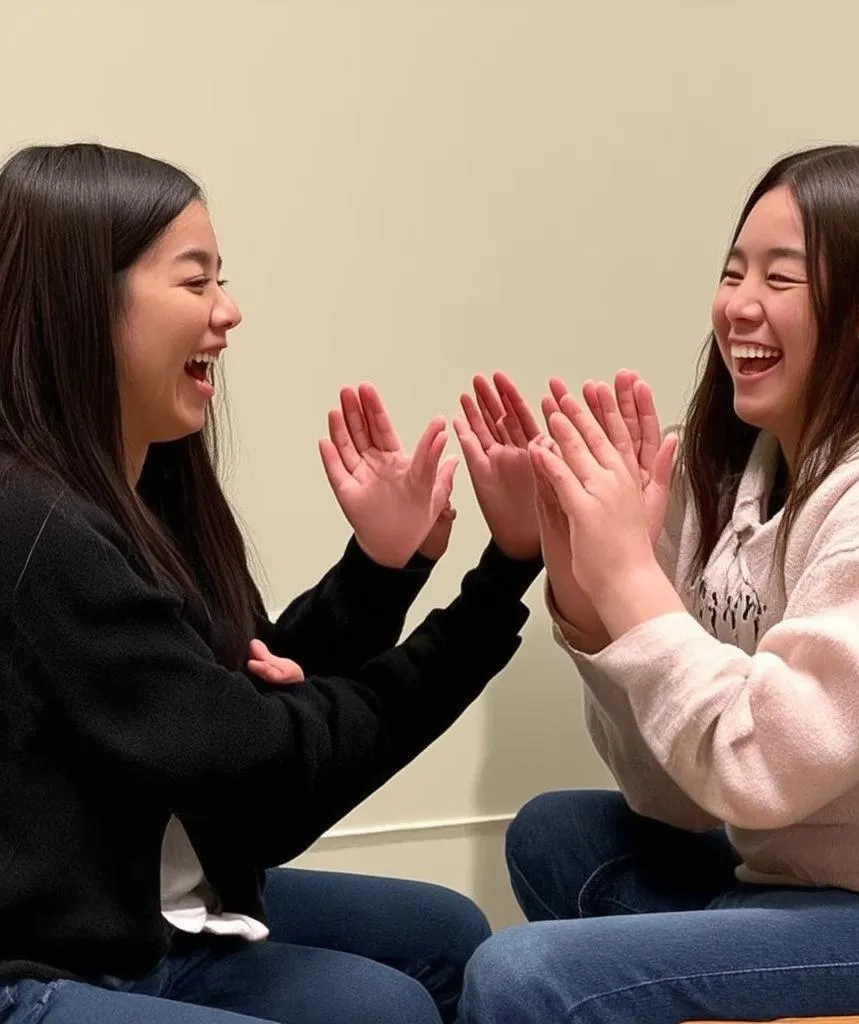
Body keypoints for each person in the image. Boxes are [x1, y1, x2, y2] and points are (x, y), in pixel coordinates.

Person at [457, 144, 859, 1022]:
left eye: (780, 279)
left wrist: (633, 585)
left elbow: (757, 770)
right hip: (798, 877)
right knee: (556, 835)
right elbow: (680, 796)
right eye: (733, 271)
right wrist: (585, 592)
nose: (738, 306)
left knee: (524, 977)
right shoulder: (739, 474)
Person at [0, 142, 543, 1024]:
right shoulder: (35, 527)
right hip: (43, 962)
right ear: (85, 302)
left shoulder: (150, 489)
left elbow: (235, 696)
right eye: (196, 282)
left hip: (148, 910)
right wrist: (499, 581)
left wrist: (383, 568)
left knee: (445, 933)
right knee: (387, 1008)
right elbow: (260, 778)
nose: (229, 312)